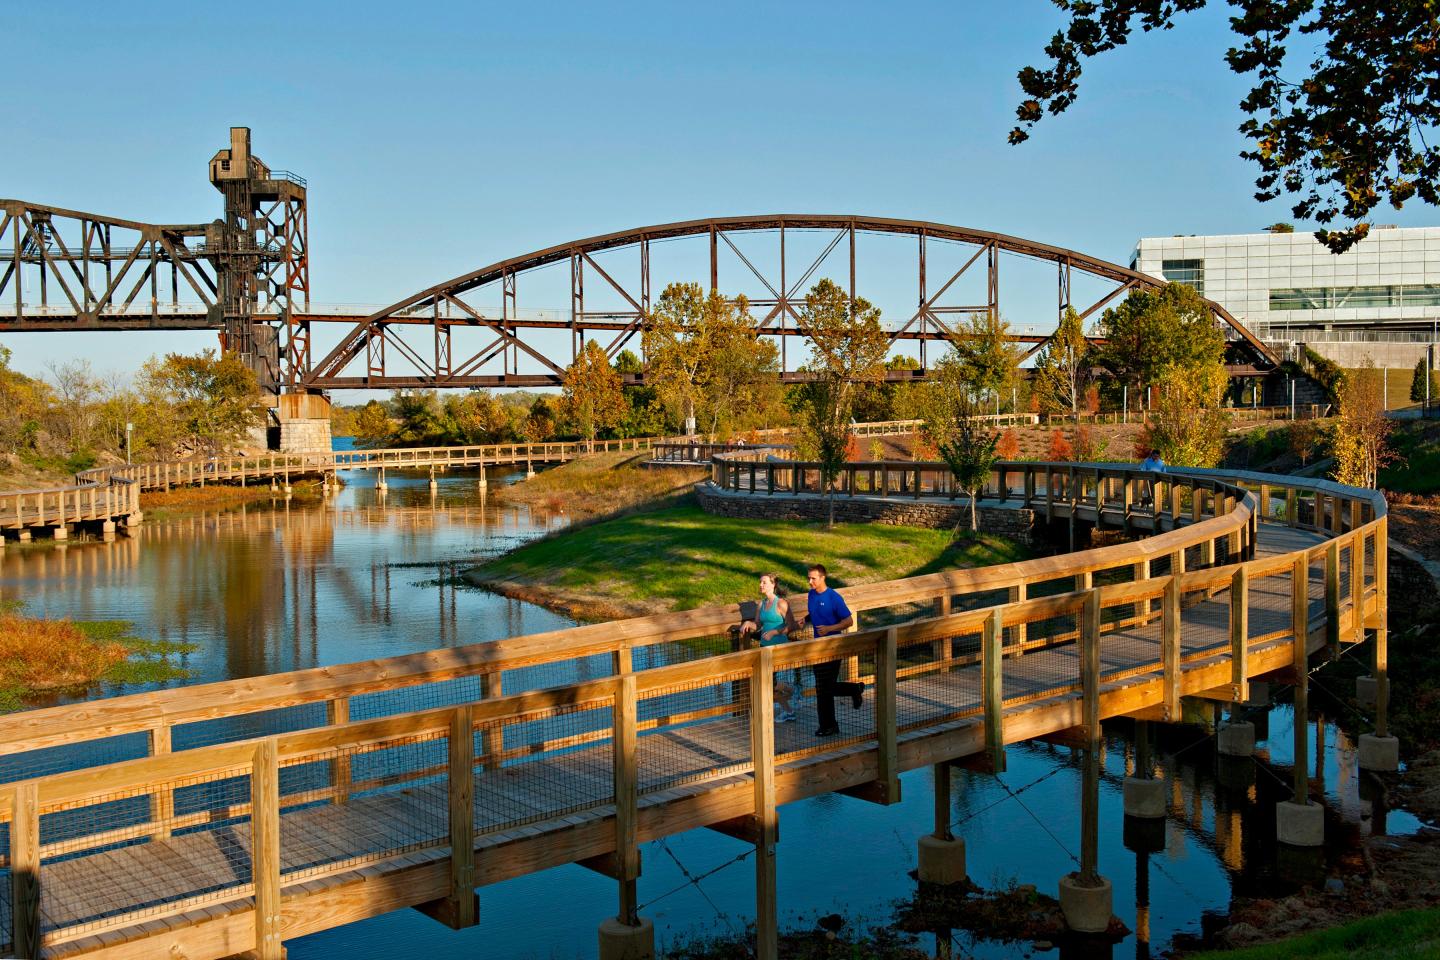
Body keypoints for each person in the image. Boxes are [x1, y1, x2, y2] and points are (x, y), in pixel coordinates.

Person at [795, 563, 862, 737]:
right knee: (824, 687)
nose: (810, 581)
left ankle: (828, 726)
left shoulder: (834, 597)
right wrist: (805, 619)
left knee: (824, 687)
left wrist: (830, 628)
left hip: (833, 646)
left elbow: (848, 621)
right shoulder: (811, 595)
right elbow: (816, 612)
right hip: (818, 648)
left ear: (823, 578)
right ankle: (854, 690)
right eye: (809, 578)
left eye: (813, 578)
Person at [740, 573, 797, 722]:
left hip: (778, 649)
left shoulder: (781, 604)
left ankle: (790, 703)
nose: (761, 585)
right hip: (764, 649)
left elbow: (791, 625)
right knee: (768, 683)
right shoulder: (761, 604)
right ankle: (791, 695)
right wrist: (748, 624)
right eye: (760, 582)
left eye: (764, 582)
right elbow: (758, 625)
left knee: (770, 684)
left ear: (773, 585)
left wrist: (774, 632)